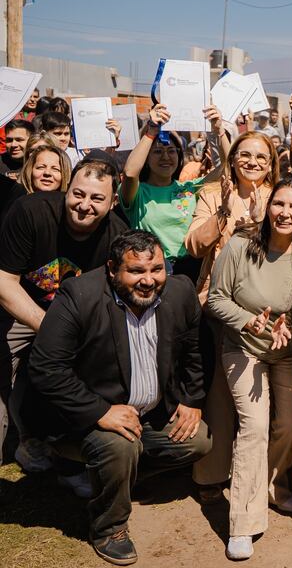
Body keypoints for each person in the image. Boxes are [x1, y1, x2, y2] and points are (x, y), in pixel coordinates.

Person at [24, 230, 211, 566]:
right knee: (118, 445)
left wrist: (191, 398)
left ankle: (119, 480)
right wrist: (100, 412)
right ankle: (109, 527)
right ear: (112, 269)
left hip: (151, 414)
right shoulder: (79, 295)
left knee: (198, 441)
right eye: (136, 271)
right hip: (84, 421)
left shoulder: (180, 290)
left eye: (156, 269)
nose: (149, 280)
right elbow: (45, 367)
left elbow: (194, 349)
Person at [206, 177, 292, 560]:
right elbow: (215, 299)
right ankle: (243, 523)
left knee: (287, 425)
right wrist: (247, 320)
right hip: (242, 348)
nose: (285, 212)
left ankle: (270, 485)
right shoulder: (239, 246)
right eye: (279, 204)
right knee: (253, 427)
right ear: (268, 208)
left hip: (285, 352)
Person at [0, 158, 128, 474]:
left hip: (77, 321)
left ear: (112, 202)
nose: (84, 205)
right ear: (66, 189)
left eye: (97, 198)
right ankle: (22, 438)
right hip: (19, 309)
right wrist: (48, 327)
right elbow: (3, 282)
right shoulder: (31, 211)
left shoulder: (117, 237)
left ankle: (70, 453)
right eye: (78, 194)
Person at [185, 130, 281, 501]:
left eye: (261, 156)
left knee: (265, 400)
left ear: (271, 162)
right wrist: (225, 212)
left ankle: (269, 479)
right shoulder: (212, 194)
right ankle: (211, 474)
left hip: (267, 308)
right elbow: (193, 246)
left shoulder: (279, 197)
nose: (252, 162)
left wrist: (259, 224)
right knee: (220, 397)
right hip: (219, 306)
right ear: (232, 158)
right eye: (245, 154)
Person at [120, 103, 230, 279]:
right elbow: (130, 172)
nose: (165, 157)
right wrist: (151, 132)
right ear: (146, 158)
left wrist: (219, 130)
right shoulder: (138, 192)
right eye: (157, 152)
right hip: (151, 272)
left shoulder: (189, 188)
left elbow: (227, 168)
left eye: (171, 151)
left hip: (190, 271)